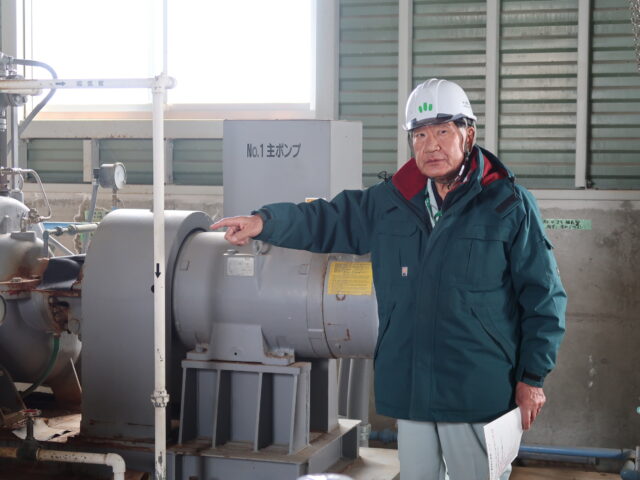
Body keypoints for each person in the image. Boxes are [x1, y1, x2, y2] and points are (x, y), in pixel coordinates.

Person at [211, 78, 566, 480]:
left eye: (443, 131)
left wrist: (532, 378)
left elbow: (544, 298)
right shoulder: (392, 201)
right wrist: (265, 222)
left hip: (475, 390)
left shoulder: (507, 205)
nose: (430, 146)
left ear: (469, 134)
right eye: (420, 135)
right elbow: (327, 218)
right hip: (411, 389)